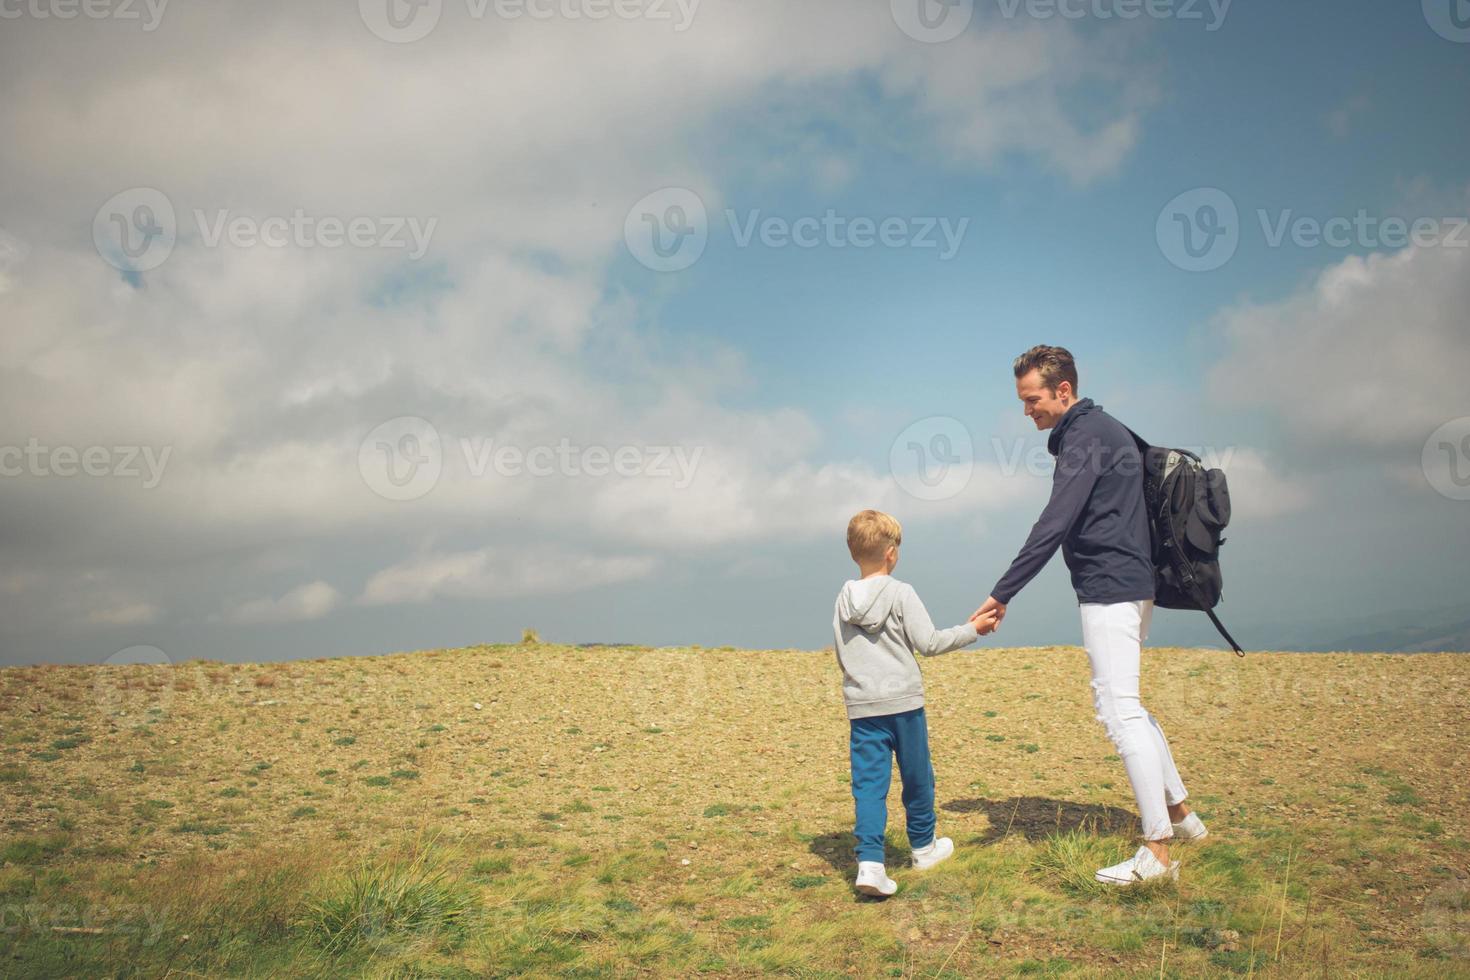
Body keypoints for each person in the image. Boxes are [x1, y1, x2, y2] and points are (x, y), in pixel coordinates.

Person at [972, 345, 1208, 885]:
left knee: (1119, 712)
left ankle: (1157, 853)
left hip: (1110, 588)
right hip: (1132, 584)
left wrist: (1003, 592)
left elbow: (1055, 521)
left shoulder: (1084, 438)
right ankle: (1182, 818)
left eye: (1032, 399)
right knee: (1129, 706)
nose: (1026, 410)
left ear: (1063, 390)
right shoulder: (1107, 429)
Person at [833, 509, 1000, 897]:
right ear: (891, 553)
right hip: (903, 705)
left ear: (853, 552)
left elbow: (843, 654)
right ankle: (923, 848)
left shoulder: (842, 599)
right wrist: (972, 630)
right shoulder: (900, 592)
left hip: (863, 707)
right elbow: (929, 643)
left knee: (869, 786)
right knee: (917, 778)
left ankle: (871, 864)